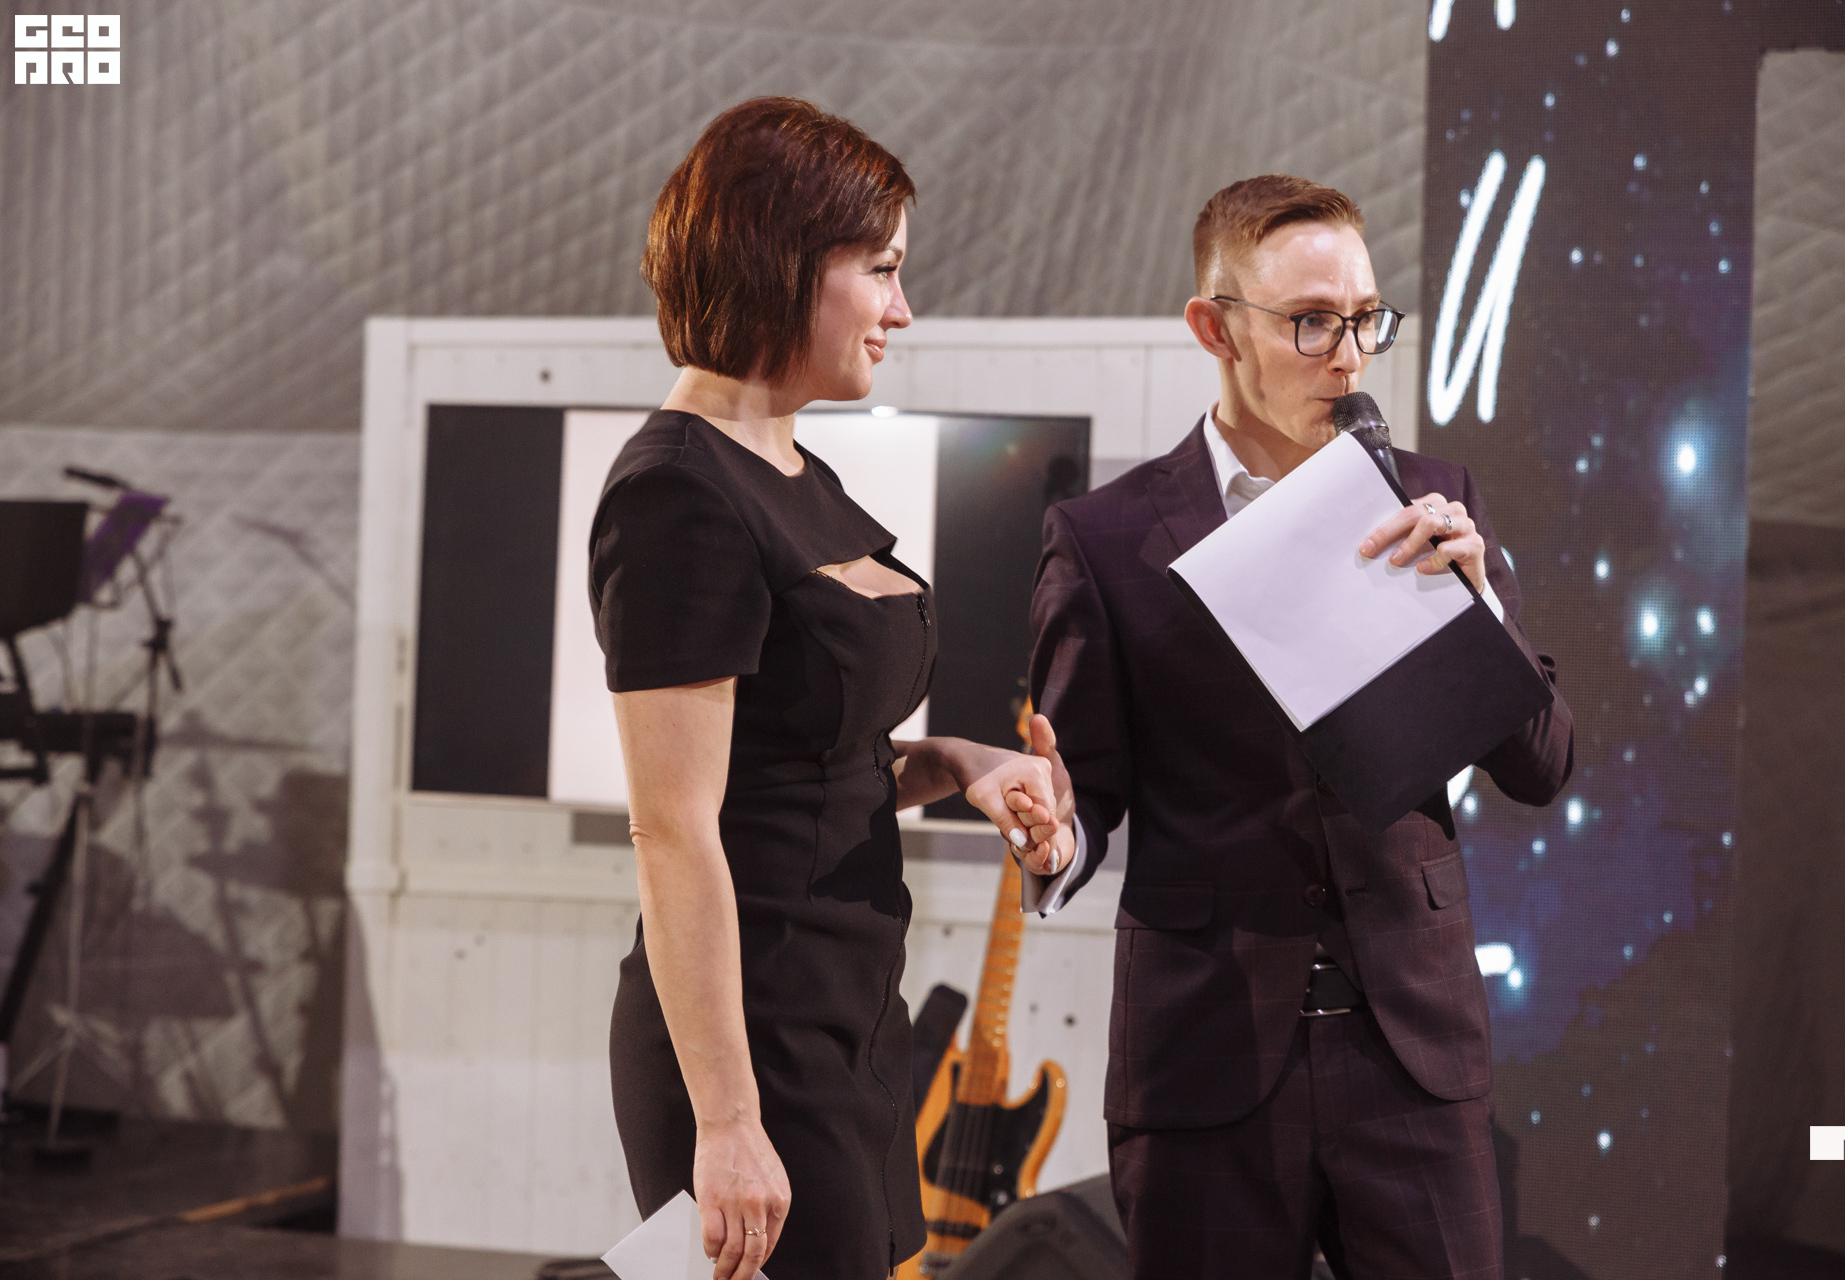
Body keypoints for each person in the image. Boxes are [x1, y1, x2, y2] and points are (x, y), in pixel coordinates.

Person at [1023, 175, 1574, 1278]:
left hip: (1411, 1053)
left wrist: (1479, 608)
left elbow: (1543, 765)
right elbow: (1084, 793)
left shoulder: (1432, 499)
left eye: (1367, 319)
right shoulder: (1106, 537)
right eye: (1312, 322)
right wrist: (1054, 837)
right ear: (1214, 328)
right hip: (1208, 1055)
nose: (1350, 357)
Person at [592, 98, 1074, 1280]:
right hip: (750, 1044)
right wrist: (727, 1120)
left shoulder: (794, 469)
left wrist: (965, 762)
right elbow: (675, 823)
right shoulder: (678, 492)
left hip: (848, 1017)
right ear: (782, 260)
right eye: (883, 269)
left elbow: (804, 764)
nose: (903, 310)